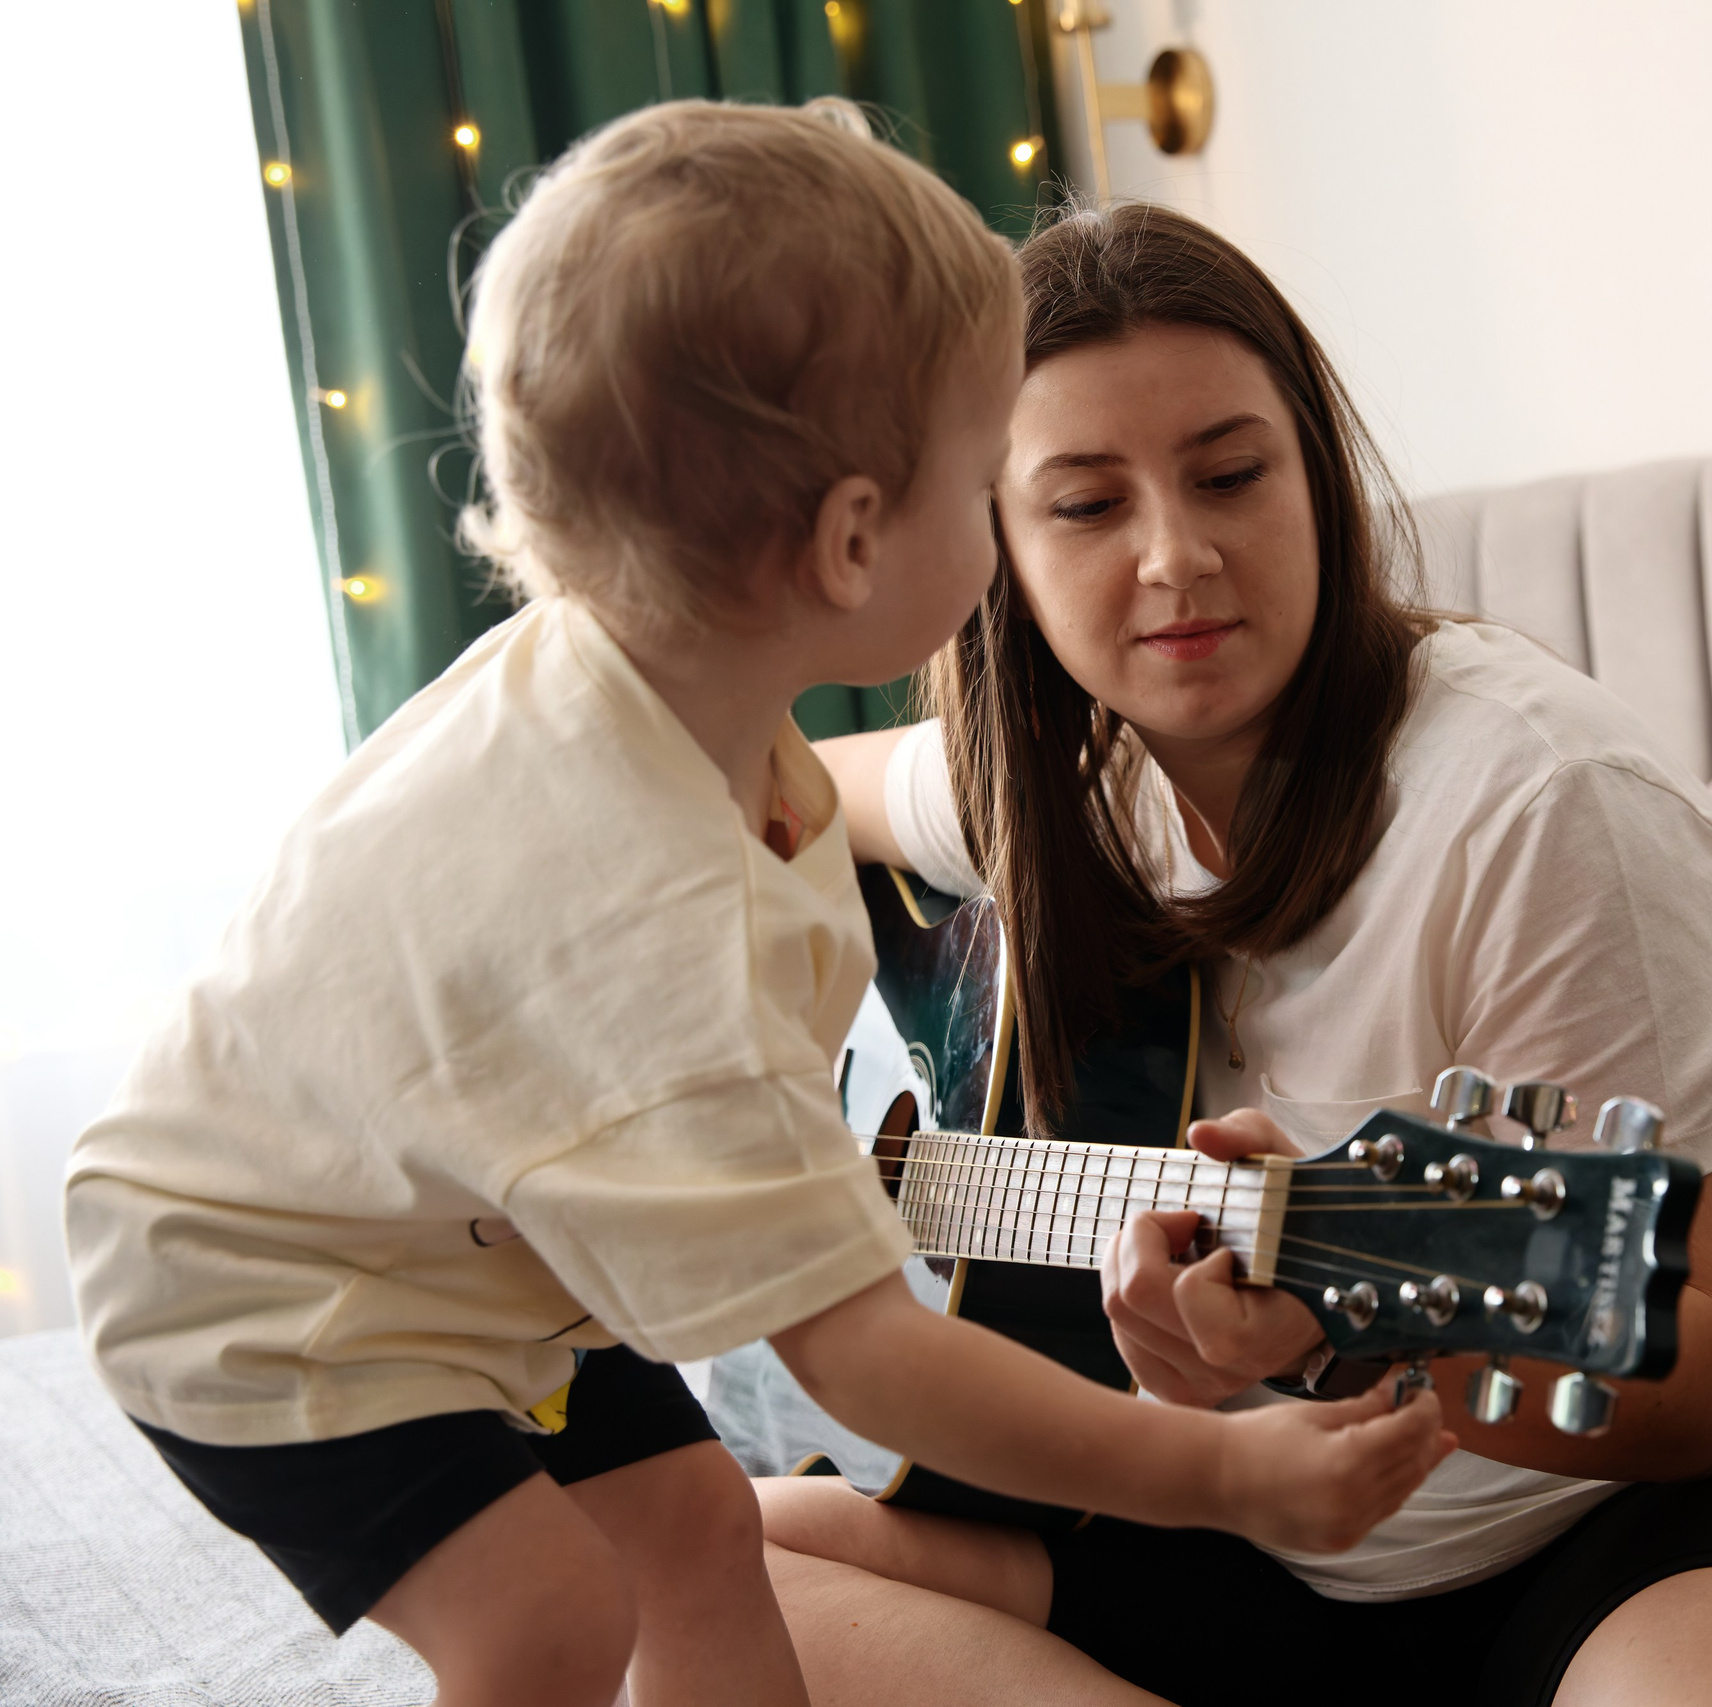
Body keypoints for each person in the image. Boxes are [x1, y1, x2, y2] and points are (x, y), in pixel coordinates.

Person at [62, 105, 1449, 1707]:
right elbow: (868, 1363)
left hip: (472, 1243)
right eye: (984, 477)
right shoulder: (637, 915)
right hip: (273, 1284)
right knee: (546, 1620)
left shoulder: (645, 681)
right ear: (854, 540)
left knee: (702, 1533)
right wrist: (1226, 1477)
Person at [771, 202, 1712, 1707]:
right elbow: (795, 790)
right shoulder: (1057, 795)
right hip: (1271, 1537)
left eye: (1232, 476)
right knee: (705, 1554)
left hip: (1681, 1516)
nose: (1176, 557)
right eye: (1085, 505)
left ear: (1318, 480)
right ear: (996, 551)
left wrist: (1334, 1338)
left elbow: (1689, 1388)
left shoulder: (1541, 803)